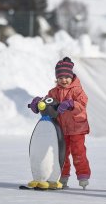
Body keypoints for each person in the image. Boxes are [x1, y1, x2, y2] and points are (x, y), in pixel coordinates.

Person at [29, 57, 91, 189]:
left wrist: (71, 104)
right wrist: (37, 103)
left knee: (78, 152)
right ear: (56, 78)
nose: (64, 80)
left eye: (66, 77)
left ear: (71, 76)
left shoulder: (77, 90)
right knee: (61, 153)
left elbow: (82, 103)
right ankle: (62, 178)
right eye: (60, 77)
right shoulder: (53, 92)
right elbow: (47, 103)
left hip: (77, 128)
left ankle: (83, 175)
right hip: (61, 129)